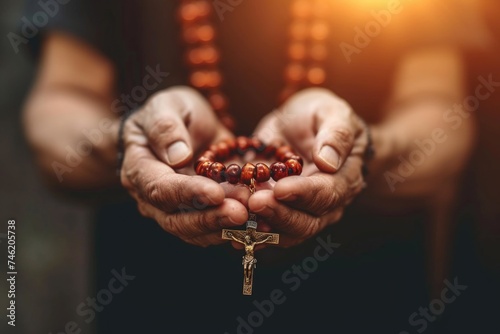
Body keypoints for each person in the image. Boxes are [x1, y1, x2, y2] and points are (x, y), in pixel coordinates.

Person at [21, 0, 490, 332]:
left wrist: (366, 149)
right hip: (153, 296)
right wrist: (126, 141)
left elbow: (439, 115)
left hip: (368, 294)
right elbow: (62, 103)